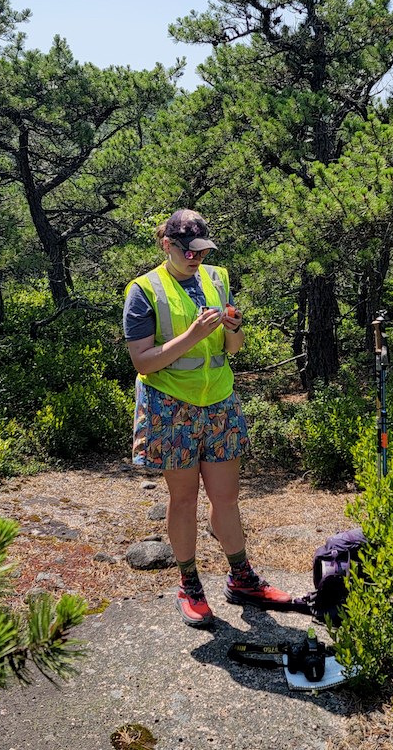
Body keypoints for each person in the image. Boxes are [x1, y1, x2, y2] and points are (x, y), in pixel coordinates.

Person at [122, 208, 291, 627]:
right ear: (167, 245)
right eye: (188, 251)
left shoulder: (217, 277)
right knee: (184, 498)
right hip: (170, 407)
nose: (196, 258)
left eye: (202, 250)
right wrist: (193, 335)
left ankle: (241, 578)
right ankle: (190, 585)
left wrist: (233, 327)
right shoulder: (144, 290)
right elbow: (142, 362)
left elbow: (232, 349)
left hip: (219, 401)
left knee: (227, 497)